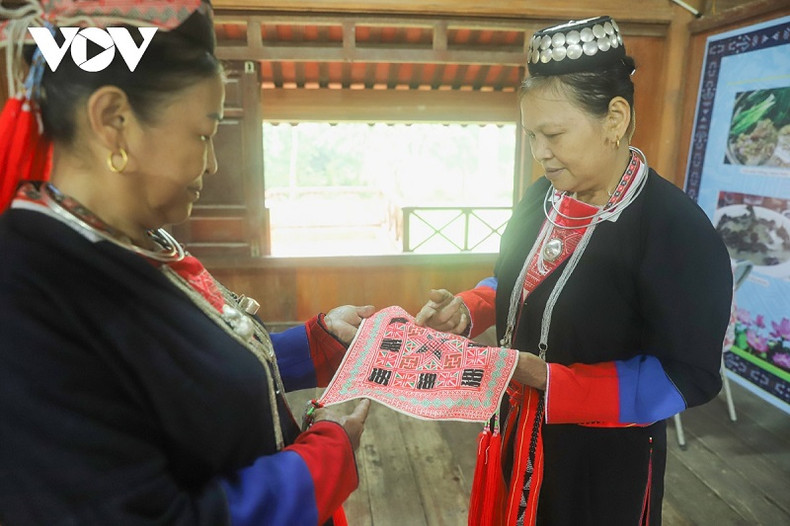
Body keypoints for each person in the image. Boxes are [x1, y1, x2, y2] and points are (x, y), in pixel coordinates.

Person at [0, 2, 372, 525]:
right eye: (203, 133)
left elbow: (184, 382)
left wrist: (317, 342)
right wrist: (326, 459)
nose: (213, 162)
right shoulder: (28, 296)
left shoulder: (132, 238)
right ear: (114, 121)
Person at [416, 15, 733, 526]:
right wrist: (467, 310)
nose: (541, 153)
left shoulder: (676, 231)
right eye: (531, 135)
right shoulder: (542, 197)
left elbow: (688, 374)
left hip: (601, 462)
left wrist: (545, 377)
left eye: (555, 134)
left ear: (614, 118)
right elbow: (515, 281)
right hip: (516, 431)